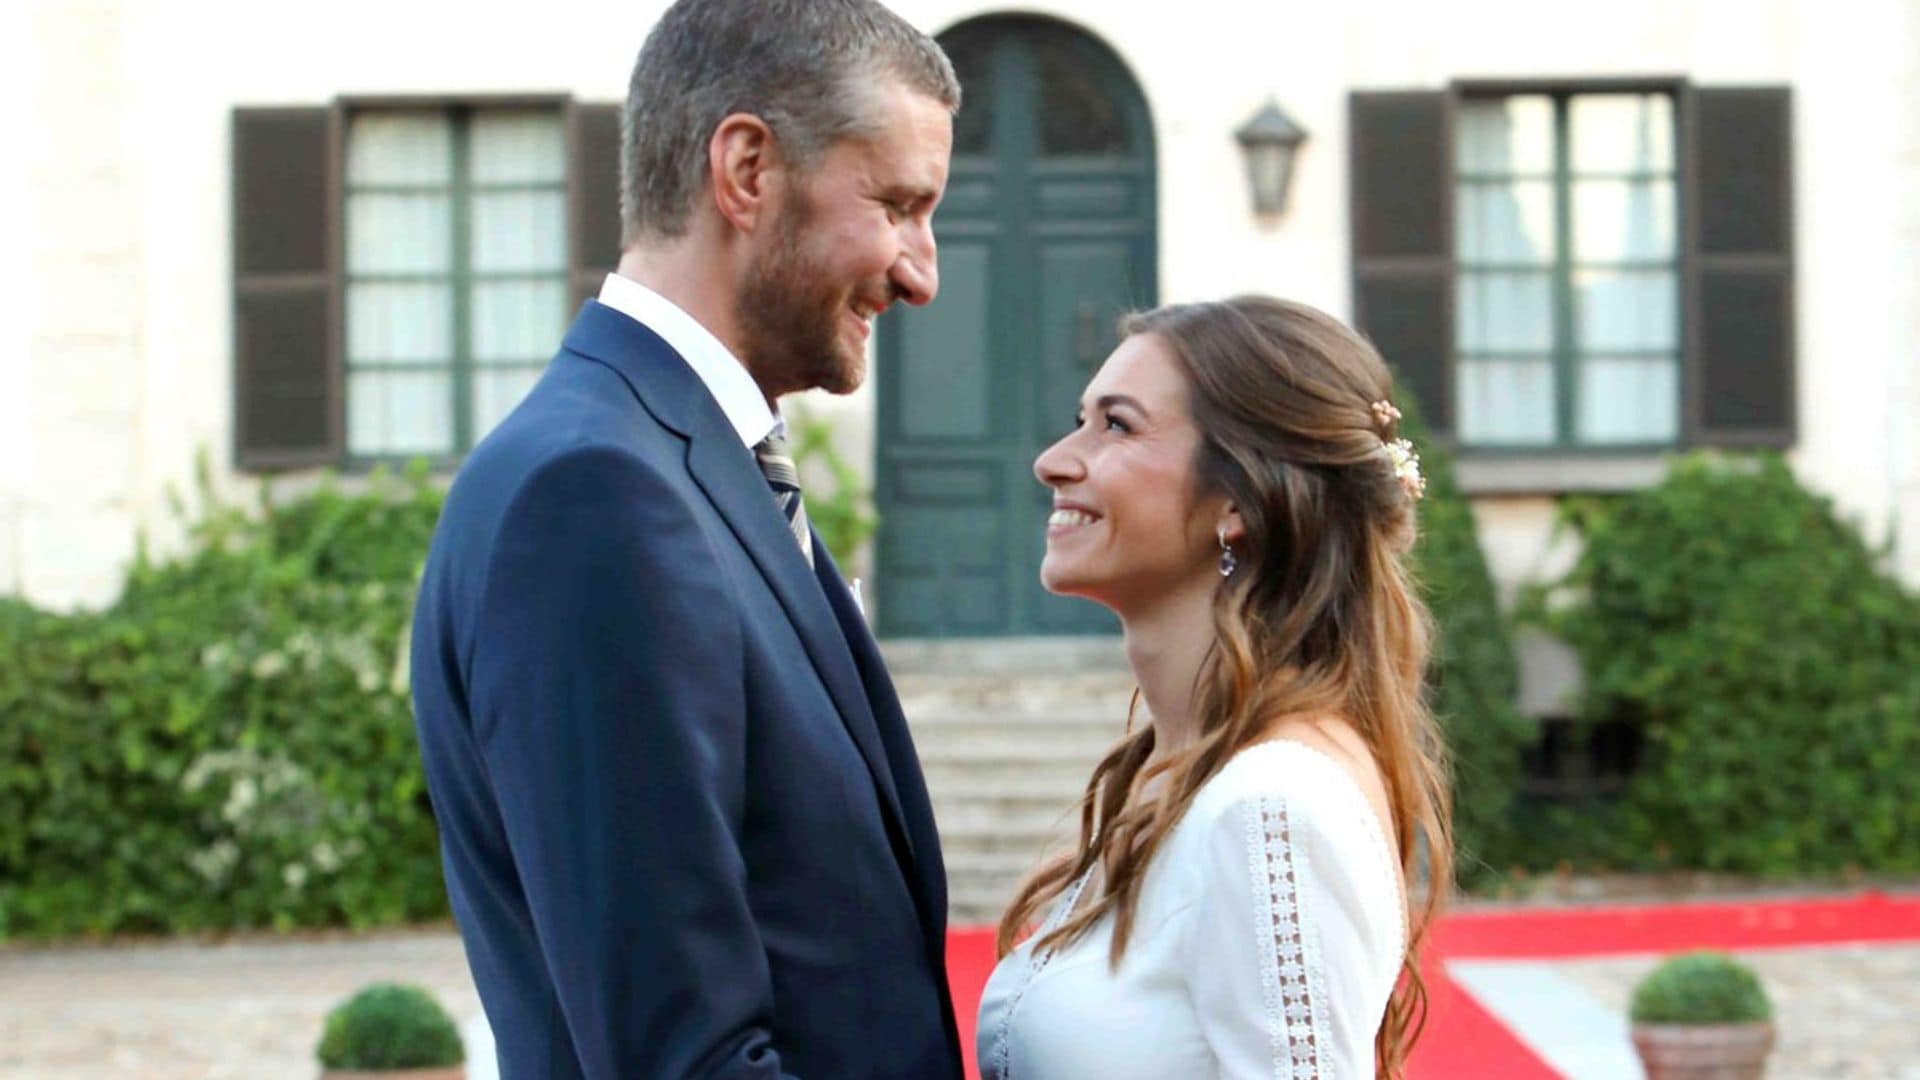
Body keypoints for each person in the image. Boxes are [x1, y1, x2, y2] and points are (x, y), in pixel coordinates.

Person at [408, 2, 963, 1076]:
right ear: (748, 169)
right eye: (897, 206)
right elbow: (684, 1056)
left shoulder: (686, 467)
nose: (919, 273)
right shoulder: (598, 495)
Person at [976, 296, 1454, 1078]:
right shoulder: (1191, 771)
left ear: (1238, 501)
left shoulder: (1270, 806)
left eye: (1118, 426)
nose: (1055, 459)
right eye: (1082, 418)